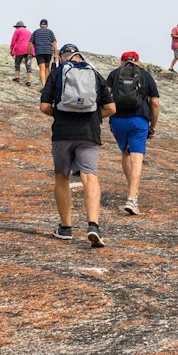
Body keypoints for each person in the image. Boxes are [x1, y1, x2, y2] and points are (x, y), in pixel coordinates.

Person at [39, 43, 115, 247]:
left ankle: (65, 227)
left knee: (62, 177)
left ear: (63, 57)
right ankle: (93, 225)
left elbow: (44, 106)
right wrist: (95, 116)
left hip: (63, 133)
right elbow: (111, 108)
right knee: (90, 177)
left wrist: (59, 114)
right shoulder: (95, 74)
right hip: (89, 133)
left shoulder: (56, 74)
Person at [106, 51, 160, 215]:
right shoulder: (145, 75)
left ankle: (132, 190)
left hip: (118, 121)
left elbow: (105, 96)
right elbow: (155, 103)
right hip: (139, 120)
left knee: (125, 153)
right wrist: (153, 125)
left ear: (122, 62)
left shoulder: (114, 74)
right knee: (137, 158)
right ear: (138, 62)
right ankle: (131, 198)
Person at [29, 19, 58, 87]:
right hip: (48, 51)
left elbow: (30, 43)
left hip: (39, 51)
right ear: (47, 25)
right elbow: (54, 43)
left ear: (40, 25)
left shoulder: (36, 32)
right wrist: (55, 54)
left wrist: (29, 53)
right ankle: (48, 86)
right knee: (47, 67)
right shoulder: (50, 32)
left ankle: (44, 86)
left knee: (42, 68)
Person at [9, 21, 33, 86]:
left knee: (17, 63)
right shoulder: (29, 32)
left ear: (17, 26)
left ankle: (17, 77)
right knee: (28, 64)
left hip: (20, 49)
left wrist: (11, 50)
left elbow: (13, 41)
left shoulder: (17, 31)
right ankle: (29, 81)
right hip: (29, 49)